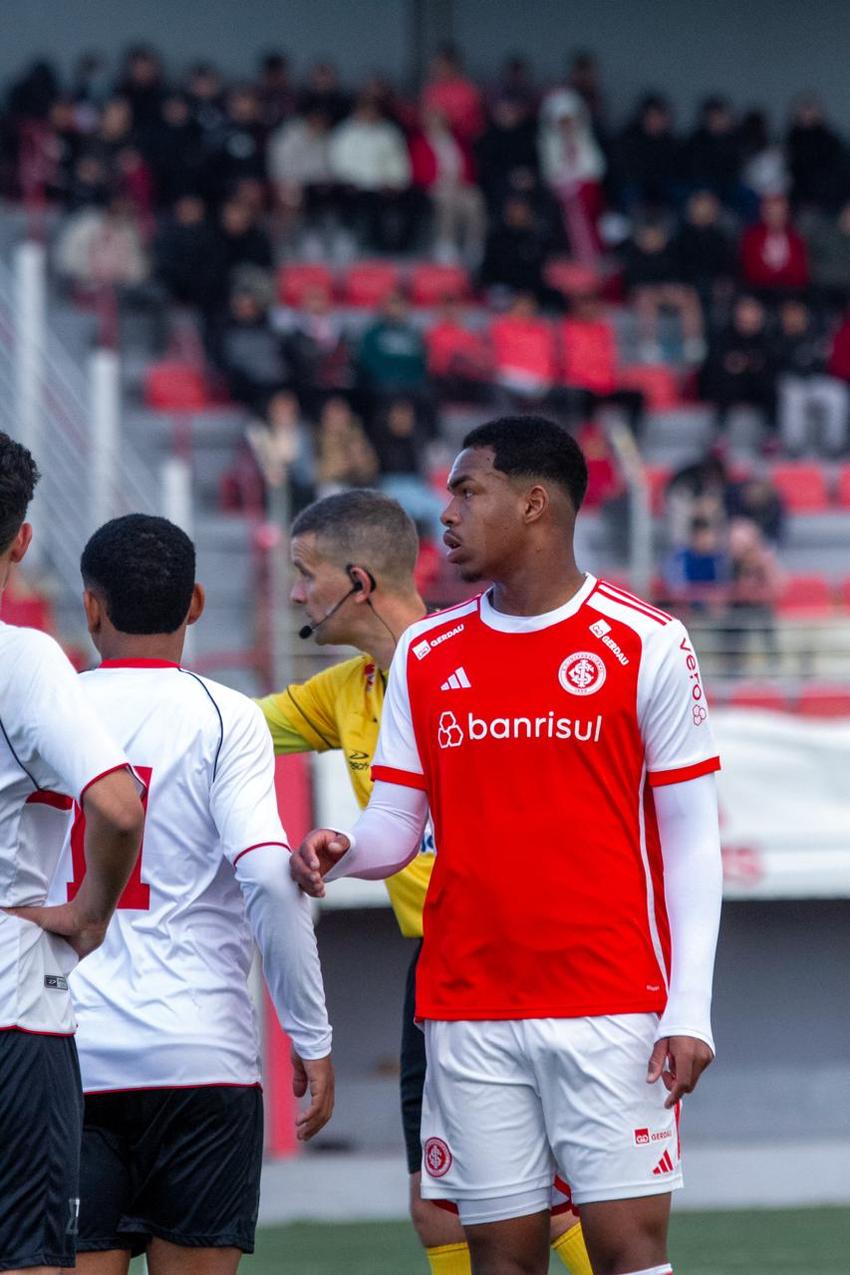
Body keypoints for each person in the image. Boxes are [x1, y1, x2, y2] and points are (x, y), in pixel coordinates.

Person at [292, 416, 723, 1275]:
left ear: (534, 503)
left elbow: (692, 839)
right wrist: (347, 848)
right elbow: (396, 826)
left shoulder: (646, 643)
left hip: (613, 1003)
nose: (443, 512)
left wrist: (689, 1007)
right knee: (499, 1256)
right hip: (465, 1004)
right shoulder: (425, 651)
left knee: (627, 1250)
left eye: (466, 490)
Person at [258, 488, 592, 1275]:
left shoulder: (481, 658)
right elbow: (223, 726)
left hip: (528, 954)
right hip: (436, 967)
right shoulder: (344, 691)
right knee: (438, 1206)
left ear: (358, 580)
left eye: (305, 574)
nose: (297, 593)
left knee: (565, 1200)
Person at [47, 513, 333, 1273]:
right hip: (201, 1060)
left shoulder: (44, 712)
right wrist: (310, 1035)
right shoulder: (228, 716)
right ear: (196, 603)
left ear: (91, 607)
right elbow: (271, 879)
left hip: (64, 1055)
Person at [0, 432, 145, 1274]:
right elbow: (120, 806)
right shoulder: (22, 657)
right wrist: (90, 913)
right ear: (22, 540)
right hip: (14, 1006)